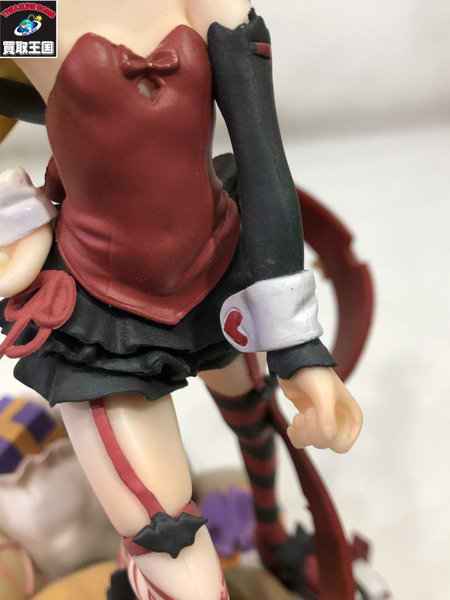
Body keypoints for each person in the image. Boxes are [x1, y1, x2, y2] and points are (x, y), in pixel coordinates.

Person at [0, 1, 362, 598]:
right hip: (101, 314)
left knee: (255, 420)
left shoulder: (206, 2)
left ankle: (271, 534)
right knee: (167, 544)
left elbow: (263, 159)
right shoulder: (30, 14)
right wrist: (20, 216)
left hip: (220, 271)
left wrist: (297, 343)